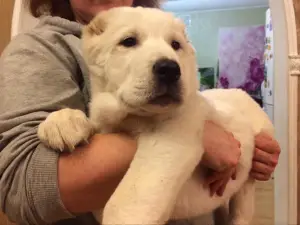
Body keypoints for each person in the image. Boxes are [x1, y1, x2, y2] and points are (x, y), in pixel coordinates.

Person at [0, 0, 281, 224]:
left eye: (175, 45)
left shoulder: (158, 26)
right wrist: (191, 133)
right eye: (129, 41)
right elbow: (20, 188)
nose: (168, 62)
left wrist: (247, 150)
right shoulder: (40, 48)